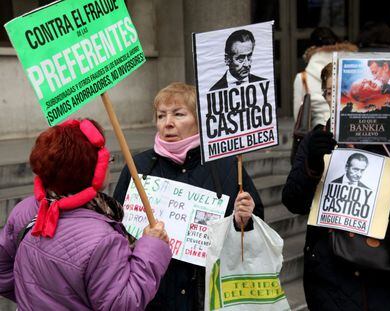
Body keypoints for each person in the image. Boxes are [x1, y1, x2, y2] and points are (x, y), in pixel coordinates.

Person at [114, 82, 264, 310]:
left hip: (208, 294)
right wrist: (139, 241)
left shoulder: (226, 166)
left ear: (198, 120)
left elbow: (254, 234)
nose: (168, 123)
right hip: (155, 293)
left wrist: (244, 221)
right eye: (161, 116)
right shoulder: (139, 167)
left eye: (178, 114)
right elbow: (116, 230)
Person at [0, 118, 172, 310]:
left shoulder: (24, 210)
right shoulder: (103, 240)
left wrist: (35, 298)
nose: (107, 164)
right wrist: (152, 246)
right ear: (93, 170)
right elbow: (123, 304)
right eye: (105, 158)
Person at [282, 62, 390, 310]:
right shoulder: (316, 138)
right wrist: (312, 166)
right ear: (325, 97)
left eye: (346, 90)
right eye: (334, 92)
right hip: (330, 274)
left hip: (385, 271)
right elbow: (293, 201)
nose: (341, 98)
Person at [293, 27, 357, 128]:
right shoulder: (354, 69)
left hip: (319, 135)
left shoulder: (302, 78)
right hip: (351, 130)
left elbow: (299, 119)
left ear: (311, 48)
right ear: (337, 43)